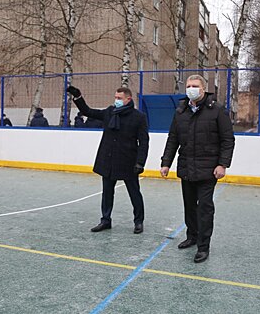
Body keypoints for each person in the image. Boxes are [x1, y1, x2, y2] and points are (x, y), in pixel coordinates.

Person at [160, 74, 235, 263]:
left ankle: (203, 246)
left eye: (195, 86)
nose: (191, 89)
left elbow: (228, 140)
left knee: (205, 208)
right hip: (187, 168)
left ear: (203, 89)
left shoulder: (217, 111)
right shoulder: (181, 111)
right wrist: (166, 162)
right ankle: (192, 236)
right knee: (189, 206)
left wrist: (222, 164)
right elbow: (173, 139)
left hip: (208, 170)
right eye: (188, 86)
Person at [67, 85, 149, 234]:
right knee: (107, 192)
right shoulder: (110, 112)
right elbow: (88, 111)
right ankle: (105, 220)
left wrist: (140, 162)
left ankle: (138, 221)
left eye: (119, 98)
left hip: (128, 161)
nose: (116, 100)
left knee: (134, 193)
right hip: (108, 159)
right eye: (115, 97)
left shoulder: (138, 117)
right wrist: (78, 97)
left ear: (128, 99)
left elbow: (144, 142)